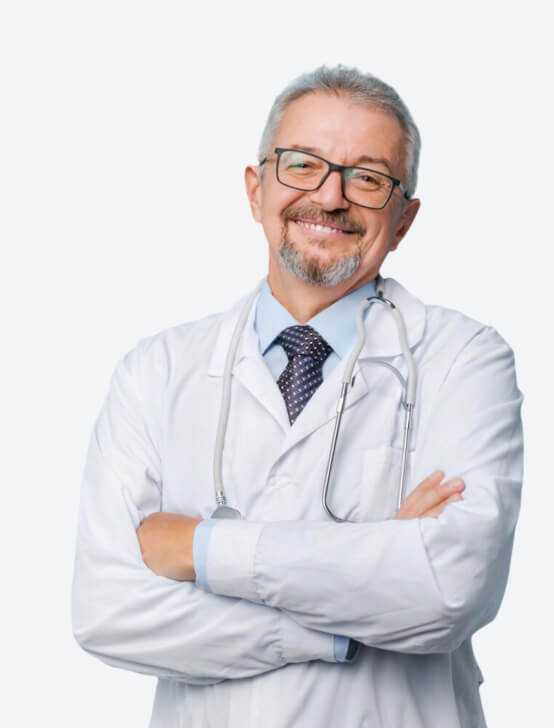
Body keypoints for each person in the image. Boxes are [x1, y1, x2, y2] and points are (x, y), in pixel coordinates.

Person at [72, 65, 524, 728]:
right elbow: (108, 612)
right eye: (303, 164)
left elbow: (450, 591)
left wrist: (198, 548)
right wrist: (361, 588)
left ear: (404, 219)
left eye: (367, 178)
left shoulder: (464, 360)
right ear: (256, 190)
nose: (330, 196)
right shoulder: (155, 371)